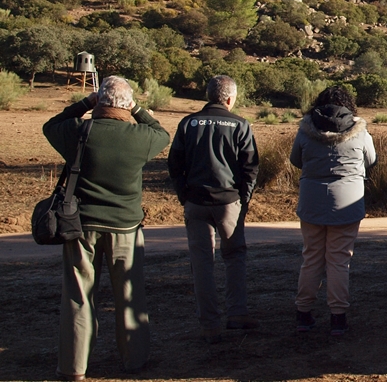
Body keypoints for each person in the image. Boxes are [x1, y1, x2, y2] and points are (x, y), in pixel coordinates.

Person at [43, 76, 170, 381]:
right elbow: (162, 133)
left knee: (78, 296)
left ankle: (74, 367)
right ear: (126, 106)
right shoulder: (140, 137)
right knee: (129, 296)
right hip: (125, 226)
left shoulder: (78, 131)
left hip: (81, 225)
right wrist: (136, 108)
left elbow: (51, 125)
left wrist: (86, 103)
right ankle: (134, 360)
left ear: (99, 103)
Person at [168, 75, 260, 344]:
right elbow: (250, 167)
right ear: (230, 99)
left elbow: (175, 163)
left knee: (202, 263)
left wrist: (183, 194)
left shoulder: (188, 123)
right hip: (229, 202)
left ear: (208, 96)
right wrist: (244, 199)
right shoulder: (240, 125)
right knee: (235, 257)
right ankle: (237, 313)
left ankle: (209, 324)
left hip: (195, 202)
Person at [289, 85, 376, 336]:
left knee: (312, 257)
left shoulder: (306, 128)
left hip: (312, 201)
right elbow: (372, 160)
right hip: (347, 202)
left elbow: (296, 160)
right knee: (339, 260)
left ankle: (303, 313)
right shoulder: (359, 130)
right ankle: (338, 317)